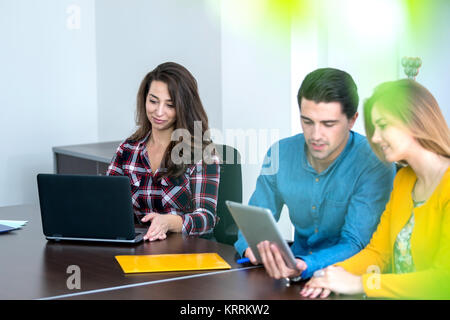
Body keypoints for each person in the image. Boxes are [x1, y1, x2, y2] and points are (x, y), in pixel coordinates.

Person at [234, 68, 395, 281]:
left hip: (349, 278)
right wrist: (250, 247)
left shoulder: (374, 162)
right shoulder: (281, 153)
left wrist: (306, 265)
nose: (316, 135)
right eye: (307, 122)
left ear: (352, 120)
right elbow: (254, 220)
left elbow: (356, 242)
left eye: (328, 124)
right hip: (293, 272)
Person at [302, 79, 450, 299]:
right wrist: (330, 274)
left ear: (414, 119)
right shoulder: (404, 180)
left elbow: (443, 281)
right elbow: (378, 253)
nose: (375, 137)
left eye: (382, 125)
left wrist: (360, 282)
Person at [107, 62, 220, 242]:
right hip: (138, 248)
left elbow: (206, 218)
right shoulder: (127, 150)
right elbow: (107, 204)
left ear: (183, 107)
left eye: (170, 105)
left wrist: (169, 222)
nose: (159, 112)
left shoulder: (201, 152)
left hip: (185, 251)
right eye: (153, 101)